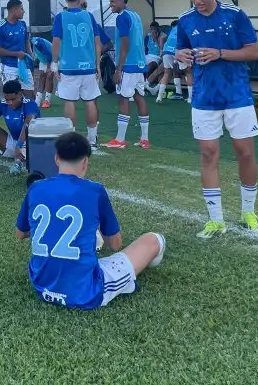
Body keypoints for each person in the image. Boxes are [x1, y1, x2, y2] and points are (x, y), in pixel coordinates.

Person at [15, 131, 165, 309]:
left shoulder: (36, 188)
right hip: (85, 292)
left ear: (56, 158)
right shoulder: (95, 190)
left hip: (42, 285)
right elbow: (115, 244)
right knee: (154, 239)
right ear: (85, 162)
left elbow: (21, 233)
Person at [175, 0, 258, 238]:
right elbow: (179, 50)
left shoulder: (235, 15)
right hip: (204, 98)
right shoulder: (185, 20)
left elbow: (253, 52)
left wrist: (220, 53)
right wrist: (182, 56)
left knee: (245, 153)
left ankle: (248, 212)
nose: (197, 0)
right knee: (208, 154)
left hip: (237, 95)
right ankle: (216, 220)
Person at [51, 0, 102, 150]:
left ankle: (71, 139)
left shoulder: (60, 17)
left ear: (66, 0)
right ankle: (92, 140)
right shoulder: (89, 16)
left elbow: (56, 42)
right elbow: (97, 42)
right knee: (90, 102)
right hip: (88, 67)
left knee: (69, 102)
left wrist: (54, 64)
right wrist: (97, 65)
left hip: (69, 67)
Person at [103, 0, 151, 150]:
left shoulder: (122, 17)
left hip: (128, 65)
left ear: (122, 1)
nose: (111, 5)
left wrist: (118, 69)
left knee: (123, 98)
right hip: (139, 63)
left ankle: (120, 139)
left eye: (113, 2)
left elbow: (125, 45)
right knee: (139, 97)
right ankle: (144, 139)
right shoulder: (135, 15)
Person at [0, 0, 34, 94]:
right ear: (14, 11)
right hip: (9, 67)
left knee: (30, 95)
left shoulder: (22, 24)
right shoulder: (0, 27)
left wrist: (30, 54)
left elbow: (26, 40)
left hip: (24, 65)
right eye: (21, 9)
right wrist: (16, 54)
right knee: (12, 97)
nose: (24, 11)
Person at [154, 19, 190, 104]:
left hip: (166, 51)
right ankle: (191, 98)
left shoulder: (171, 30)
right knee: (188, 72)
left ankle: (159, 97)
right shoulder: (184, 28)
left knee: (167, 72)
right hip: (177, 51)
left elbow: (165, 40)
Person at [31, 36, 54, 109]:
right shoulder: (31, 42)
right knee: (41, 76)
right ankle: (38, 100)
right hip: (43, 60)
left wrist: (48, 67)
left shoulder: (40, 44)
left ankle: (47, 100)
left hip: (53, 59)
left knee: (49, 77)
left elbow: (49, 56)